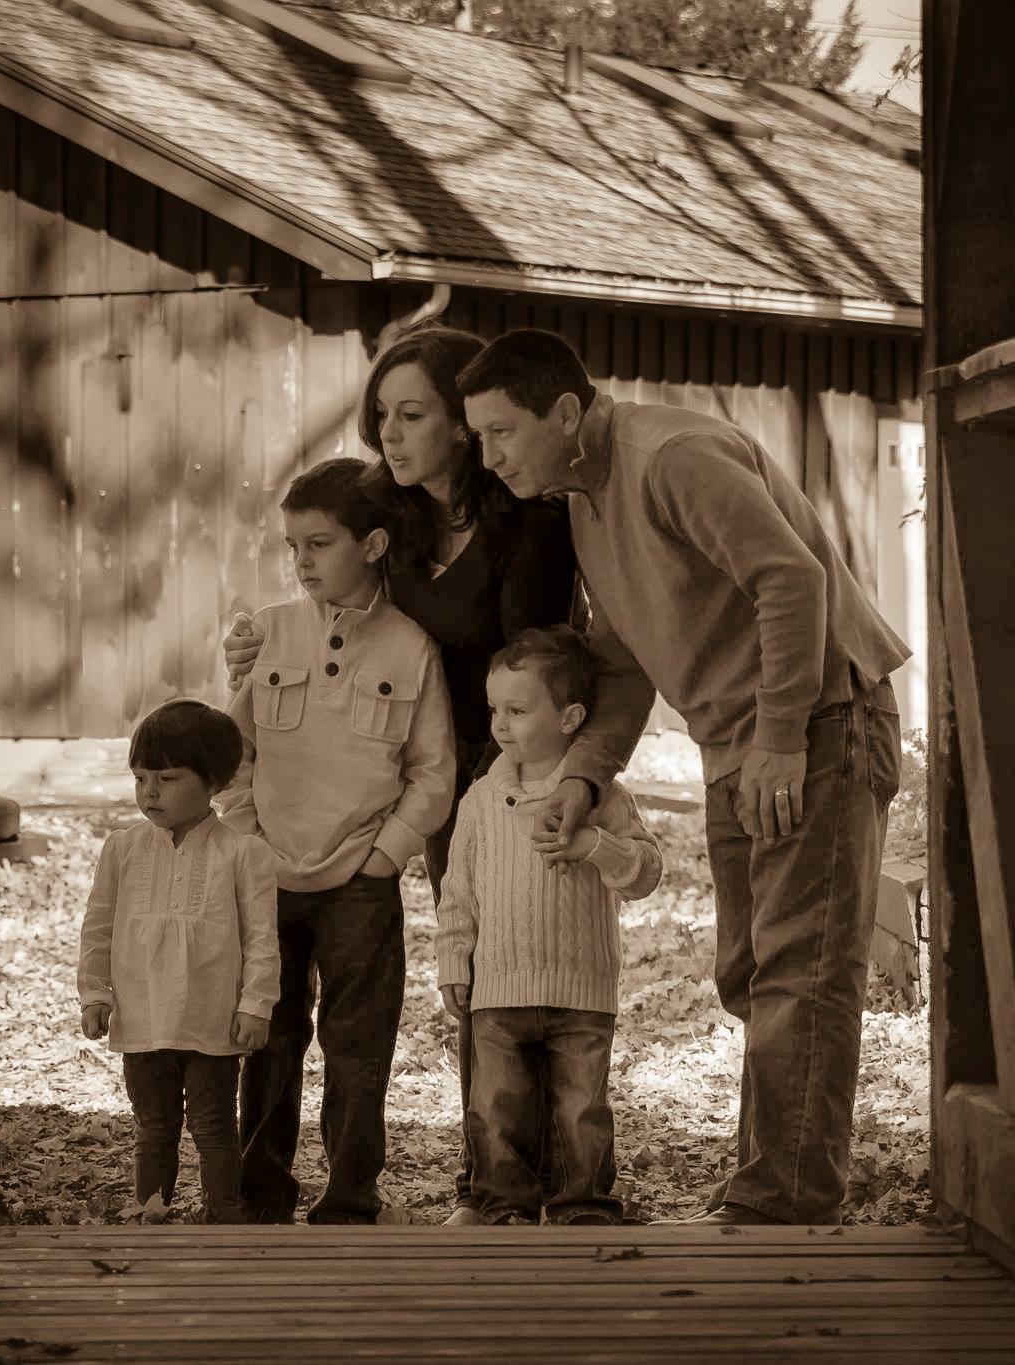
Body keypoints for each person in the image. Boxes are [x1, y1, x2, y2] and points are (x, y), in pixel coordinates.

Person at [457, 329, 909, 1227]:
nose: (489, 455)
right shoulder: (588, 500)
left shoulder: (671, 456)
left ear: (565, 412)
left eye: (500, 431)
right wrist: (584, 776)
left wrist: (781, 736)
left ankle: (784, 1204)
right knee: (749, 970)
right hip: (737, 739)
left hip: (817, 722)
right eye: (478, 437)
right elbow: (622, 661)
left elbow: (791, 579)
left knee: (800, 970)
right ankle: (772, 1182)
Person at [221, 326, 651, 1225]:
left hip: (510, 768)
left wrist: (548, 775)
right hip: (411, 770)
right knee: (475, 973)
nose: (391, 433)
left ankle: (547, 1183)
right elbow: (331, 580)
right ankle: (495, 1183)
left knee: (532, 963)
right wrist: (258, 639)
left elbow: (552, 654)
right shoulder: (395, 516)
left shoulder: (532, 516)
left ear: (464, 423)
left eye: (412, 414)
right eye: (381, 415)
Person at [220, 456, 457, 1224]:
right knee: (265, 1039)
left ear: (376, 544)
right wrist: (248, 837)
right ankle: (259, 1195)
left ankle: (352, 1198)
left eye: (319, 544)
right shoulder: (268, 634)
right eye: (292, 546)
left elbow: (432, 771)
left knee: (359, 1049)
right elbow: (234, 753)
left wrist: (386, 853)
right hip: (269, 874)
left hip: (361, 879)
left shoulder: (411, 646)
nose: (301, 561)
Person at [436, 627, 662, 1226]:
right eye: (494, 710)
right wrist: (455, 963)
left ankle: (582, 1206)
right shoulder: (482, 799)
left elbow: (646, 872)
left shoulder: (601, 795)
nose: (501, 724)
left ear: (570, 717)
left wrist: (593, 845)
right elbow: (457, 892)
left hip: (580, 988)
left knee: (580, 1109)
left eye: (517, 709)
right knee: (497, 1107)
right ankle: (503, 1204)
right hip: (500, 989)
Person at [77, 700, 281, 1225]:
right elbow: (98, 927)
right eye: (141, 778)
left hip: (211, 1014)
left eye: (166, 778)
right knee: (153, 1124)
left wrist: (256, 1004)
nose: (149, 792)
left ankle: (225, 1216)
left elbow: (261, 938)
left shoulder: (243, 854)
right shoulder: (122, 850)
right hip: (143, 1013)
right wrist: (96, 993)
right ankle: (153, 1215)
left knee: (213, 1123)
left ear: (213, 780)